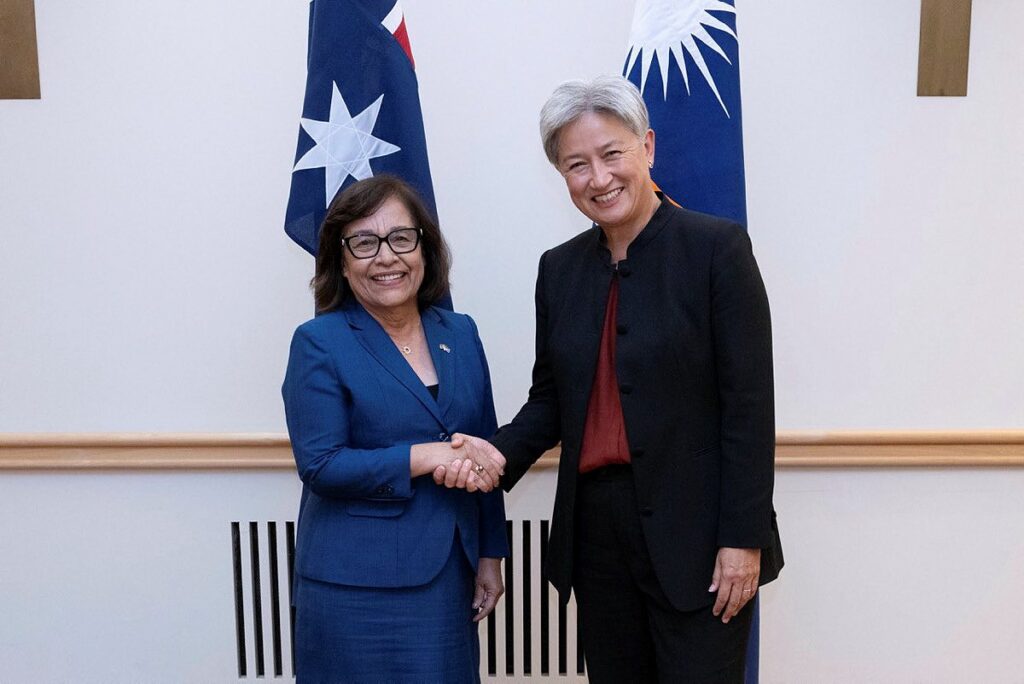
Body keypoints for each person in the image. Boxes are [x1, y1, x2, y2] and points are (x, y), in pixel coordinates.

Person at [440, 76, 784, 682]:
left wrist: (743, 539)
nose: (598, 178)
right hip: (597, 535)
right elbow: (551, 400)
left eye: (611, 154)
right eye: (576, 165)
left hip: (700, 536)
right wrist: (494, 453)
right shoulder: (559, 269)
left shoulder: (717, 250)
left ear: (647, 147)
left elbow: (749, 410)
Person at [282, 175, 509, 683]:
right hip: (353, 590)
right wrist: (424, 457)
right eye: (364, 243)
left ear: (423, 247)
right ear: (341, 259)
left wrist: (491, 554)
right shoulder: (319, 341)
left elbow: (483, 449)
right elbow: (321, 464)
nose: (386, 257)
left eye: (401, 238)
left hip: (448, 579)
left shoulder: (462, 332)